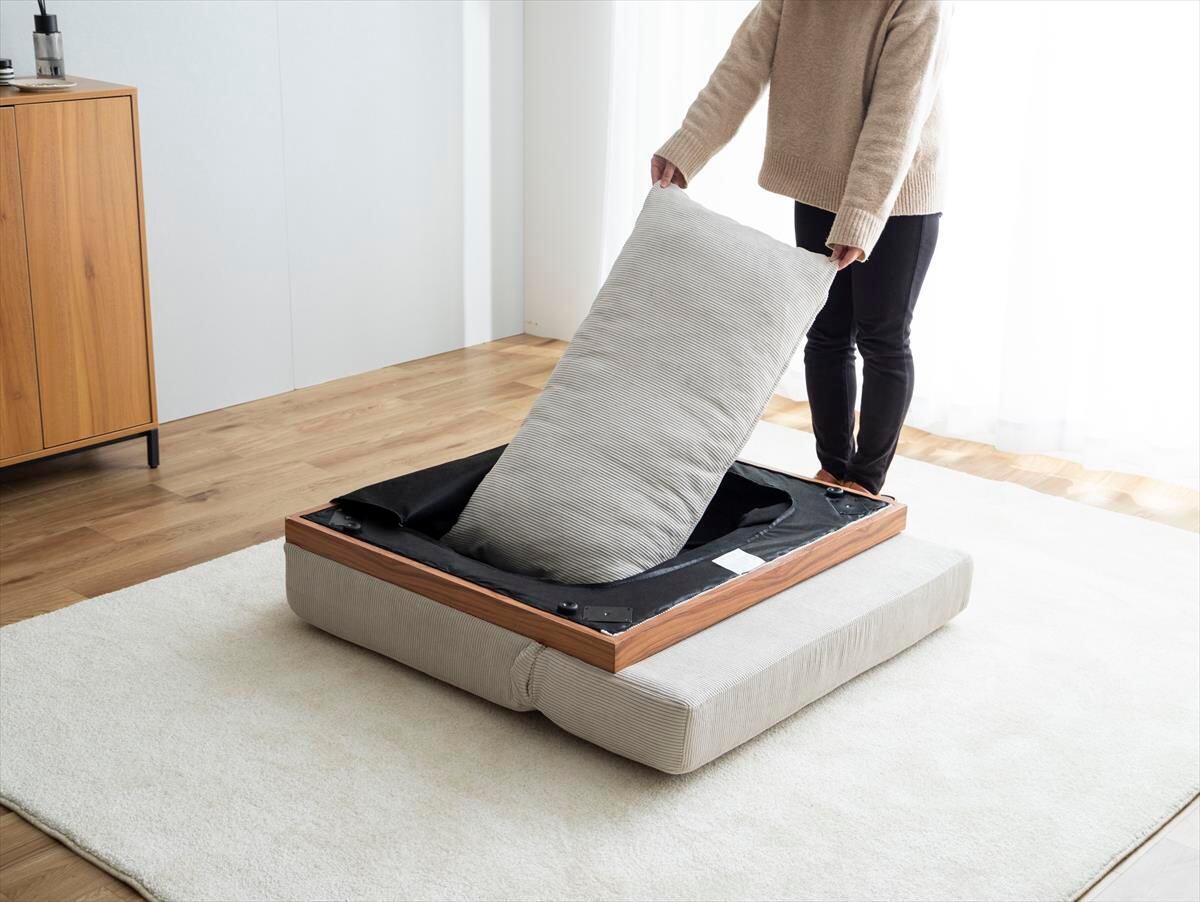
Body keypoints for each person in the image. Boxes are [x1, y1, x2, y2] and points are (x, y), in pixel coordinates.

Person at [652, 0, 948, 497]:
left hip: (897, 196)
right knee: (826, 332)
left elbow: (898, 114)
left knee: (882, 338)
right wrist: (688, 146)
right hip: (820, 185)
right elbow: (743, 64)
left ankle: (865, 482)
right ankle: (832, 469)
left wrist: (861, 213)